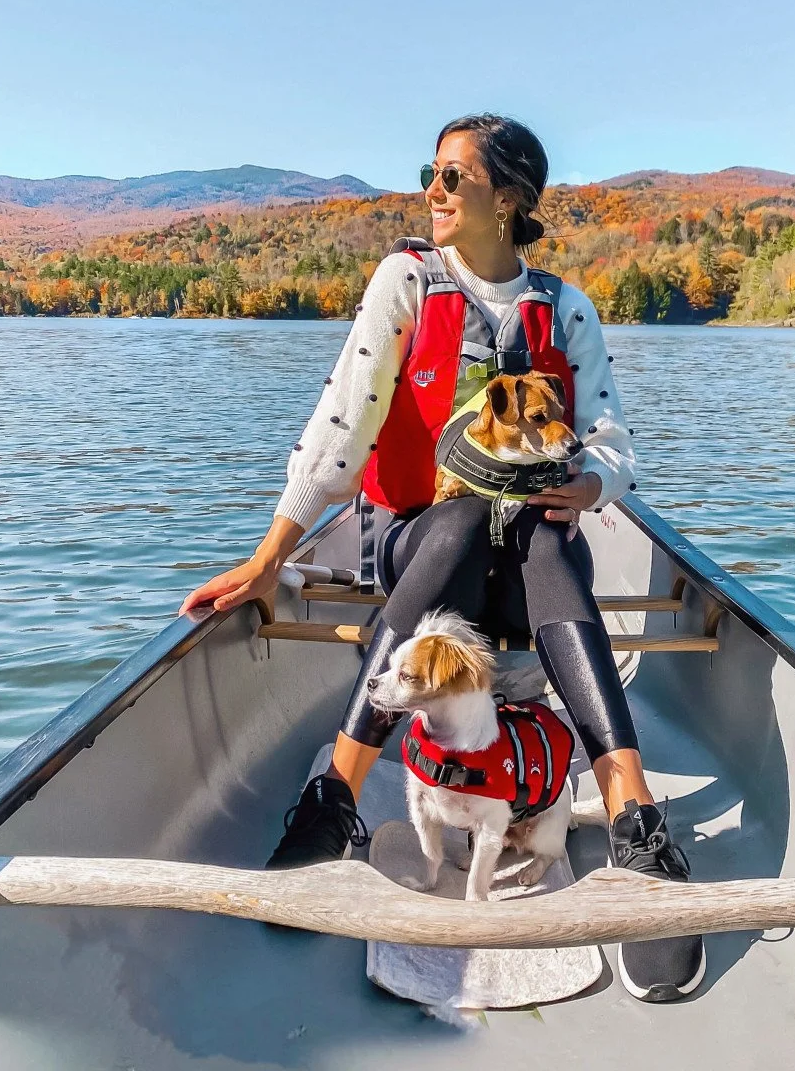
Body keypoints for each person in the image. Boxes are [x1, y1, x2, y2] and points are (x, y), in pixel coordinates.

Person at [180, 113, 705, 1002]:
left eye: (454, 176)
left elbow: (612, 443)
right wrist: (271, 556)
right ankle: (333, 802)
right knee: (461, 522)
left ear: (509, 198)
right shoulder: (408, 280)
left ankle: (634, 818)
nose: (433, 189)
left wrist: (590, 485)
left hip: (530, 568)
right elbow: (341, 428)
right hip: (422, 546)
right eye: (431, 171)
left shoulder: (565, 309)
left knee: (543, 528)